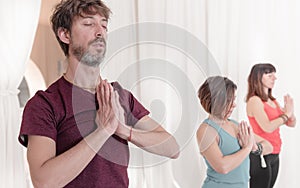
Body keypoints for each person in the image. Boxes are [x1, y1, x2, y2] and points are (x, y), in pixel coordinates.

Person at [18, 0, 179, 187]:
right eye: (88, 23)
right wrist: (103, 131)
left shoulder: (119, 96)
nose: (100, 31)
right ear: (65, 34)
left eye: (104, 25)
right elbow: (43, 181)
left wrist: (124, 130)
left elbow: (172, 148)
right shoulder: (45, 104)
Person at [196, 76, 255, 188]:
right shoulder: (206, 130)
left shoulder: (235, 124)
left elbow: (261, 146)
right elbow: (222, 167)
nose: (234, 104)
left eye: (233, 99)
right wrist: (247, 148)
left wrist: (255, 147)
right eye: (228, 100)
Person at [246, 63, 296, 188]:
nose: (274, 78)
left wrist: (291, 112)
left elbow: (291, 123)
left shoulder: (272, 101)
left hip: (275, 152)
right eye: (269, 75)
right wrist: (286, 115)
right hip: (262, 153)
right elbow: (267, 126)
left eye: (274, 75)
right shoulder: (254, 100)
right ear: (258, 77)